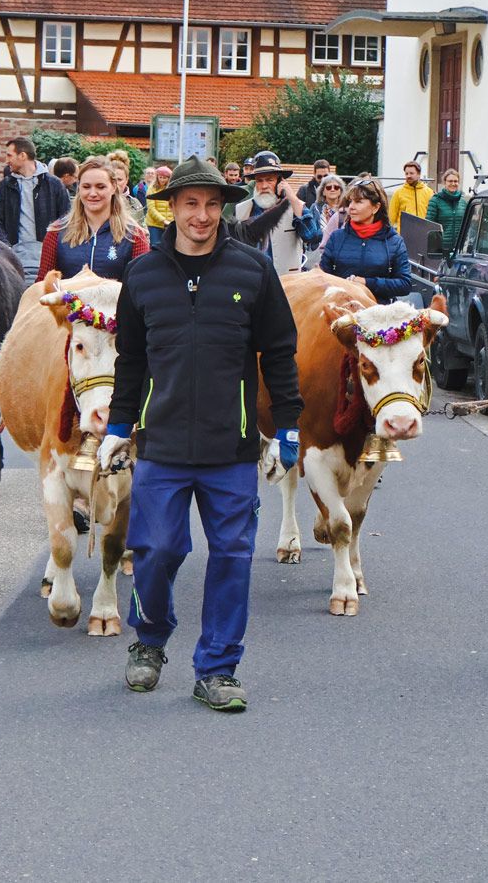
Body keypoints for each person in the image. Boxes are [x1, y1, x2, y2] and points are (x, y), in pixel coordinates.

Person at [97, 156, 302, 711]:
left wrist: (287, 427)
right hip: (160, 444)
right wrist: (118, 426)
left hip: (230, 446)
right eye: (192, 204)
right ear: (173, 208)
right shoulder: (142, 276)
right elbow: (131, 360)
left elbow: (279, 353)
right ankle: (151, 636)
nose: (203, 215)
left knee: (233, 555)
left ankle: (217, 667)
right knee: (157, 549)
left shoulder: (251, 271)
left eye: (213, 204)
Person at [36, 156, 150, 281]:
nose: (92, 193)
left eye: (100, 187)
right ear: (79, 188)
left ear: (113, 187)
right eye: (86, 186)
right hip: (66, 300)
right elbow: (43, 284)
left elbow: (142, 287)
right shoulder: (56, 232)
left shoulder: (134, 235)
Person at [319, 178, 412, 301]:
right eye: (350, 202)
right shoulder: (337, 237)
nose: (351, 207)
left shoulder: (394, 241)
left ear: (376, 207)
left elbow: (404, 285)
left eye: (358, 202)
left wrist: (367, 283)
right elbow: (322, 277)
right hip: (340, 311)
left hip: (378, 313)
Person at [232, 151, 320, 273]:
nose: (264, 186)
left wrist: (293, 198)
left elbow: (311, 236)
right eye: (259, 180)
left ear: (280, 182)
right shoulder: (241, 209)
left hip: (287, 283)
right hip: (252, 281)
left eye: (269, 180)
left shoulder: (295, 207)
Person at [0, 136, 66, 277]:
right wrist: (6, 247)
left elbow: (66, 218)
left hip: (47, 257)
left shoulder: (54, 184)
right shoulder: (5, 185)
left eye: (9, 155)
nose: (7, 160)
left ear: (22, 155)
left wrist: (54, 247)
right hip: (14, 257)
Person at [424, 169, 467, 255]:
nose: (453, 184)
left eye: (456, 181)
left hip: (459, 248)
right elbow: (429, 225)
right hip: (441, 249)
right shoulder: (435, 200)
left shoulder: (463, 201)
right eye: (450, 181)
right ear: (444, 183)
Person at [387, 160, 433, 230]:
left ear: (418, 174)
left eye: (411, 173)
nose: (408, 176)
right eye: (406, 173)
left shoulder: (429, 192)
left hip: (423, 234)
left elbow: (432, 215)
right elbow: (391, 218)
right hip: (404, 235)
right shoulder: (398, 193)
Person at [143, 165, 173, 248]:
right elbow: (151, 208)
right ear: (157, 177)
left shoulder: (171, 189)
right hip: (154, 225)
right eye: (160, 177)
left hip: (169, 224)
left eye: (165, 178)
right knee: (155, 247)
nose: (162, 180)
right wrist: (163, 220)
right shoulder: (151, 189)